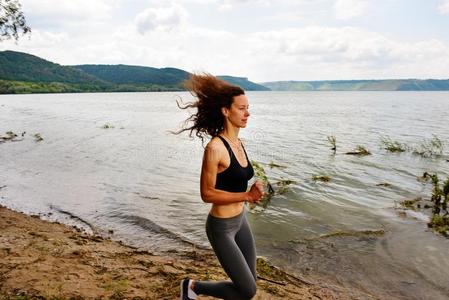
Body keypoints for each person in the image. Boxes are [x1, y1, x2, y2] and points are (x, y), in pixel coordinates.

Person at [174, 73, 265, 299]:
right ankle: (192, 286)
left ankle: (193, 288)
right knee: (248, 290)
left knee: (248, 284)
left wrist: (255, 189)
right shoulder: (215, 148)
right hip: (221, 227)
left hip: (240, 221)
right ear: (226, 111)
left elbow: (236, 179)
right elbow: (207, 193)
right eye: (241, 108)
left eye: (248, 108)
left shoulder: (239, 143)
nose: (247, 113)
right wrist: (247, 195)